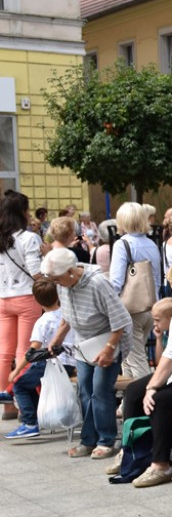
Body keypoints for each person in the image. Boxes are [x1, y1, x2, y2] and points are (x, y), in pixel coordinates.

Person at [44, 248, 132, 459]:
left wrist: (110, 349)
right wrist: (57, 337)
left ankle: (105, 440)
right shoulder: (63, 284)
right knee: (85, 390)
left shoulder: (98, 283)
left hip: (108, 341)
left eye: (58, 279)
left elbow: (119, 320)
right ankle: (88, 439)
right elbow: (66, 315)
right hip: (83, 344)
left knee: (100, 391)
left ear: (71, 272)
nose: (56, 283)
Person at [117, 297, 172, 488]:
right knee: (134, 390)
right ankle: (131, 449)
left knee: (158, 400)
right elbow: (162, 358)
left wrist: (152, 389)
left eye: (158, 320)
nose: (155, 324)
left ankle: (160, 464)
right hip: (171, 373)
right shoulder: (170, 327)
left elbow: (170, 360)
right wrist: (159, 337)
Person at [3, 279, 76, 439]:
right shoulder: (66, 314)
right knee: (29, 383)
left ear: (36, 299)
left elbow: (32, 351)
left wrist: (15, 371)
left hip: (53, 363)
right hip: (70, 363)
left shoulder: (43, 321)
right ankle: (33, 416)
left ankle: (30, 423)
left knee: (20, 386)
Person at [109, 202, 162, 380]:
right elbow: (156, 278)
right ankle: (128, 403)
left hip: (129, 310)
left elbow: (115, 282)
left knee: (136, 359)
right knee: (128, 359)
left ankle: (145, 400)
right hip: (149, 306)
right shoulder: (151, 244)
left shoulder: (121, 245)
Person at [0, 192, 43, 409]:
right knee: (24, 351)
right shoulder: (28, 238)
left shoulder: (2, 238)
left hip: (3, 298)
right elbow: (35, 271)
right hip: (26, 297)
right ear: (23, 212)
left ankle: (6, 404)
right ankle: (21, 402)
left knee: (4, 352)